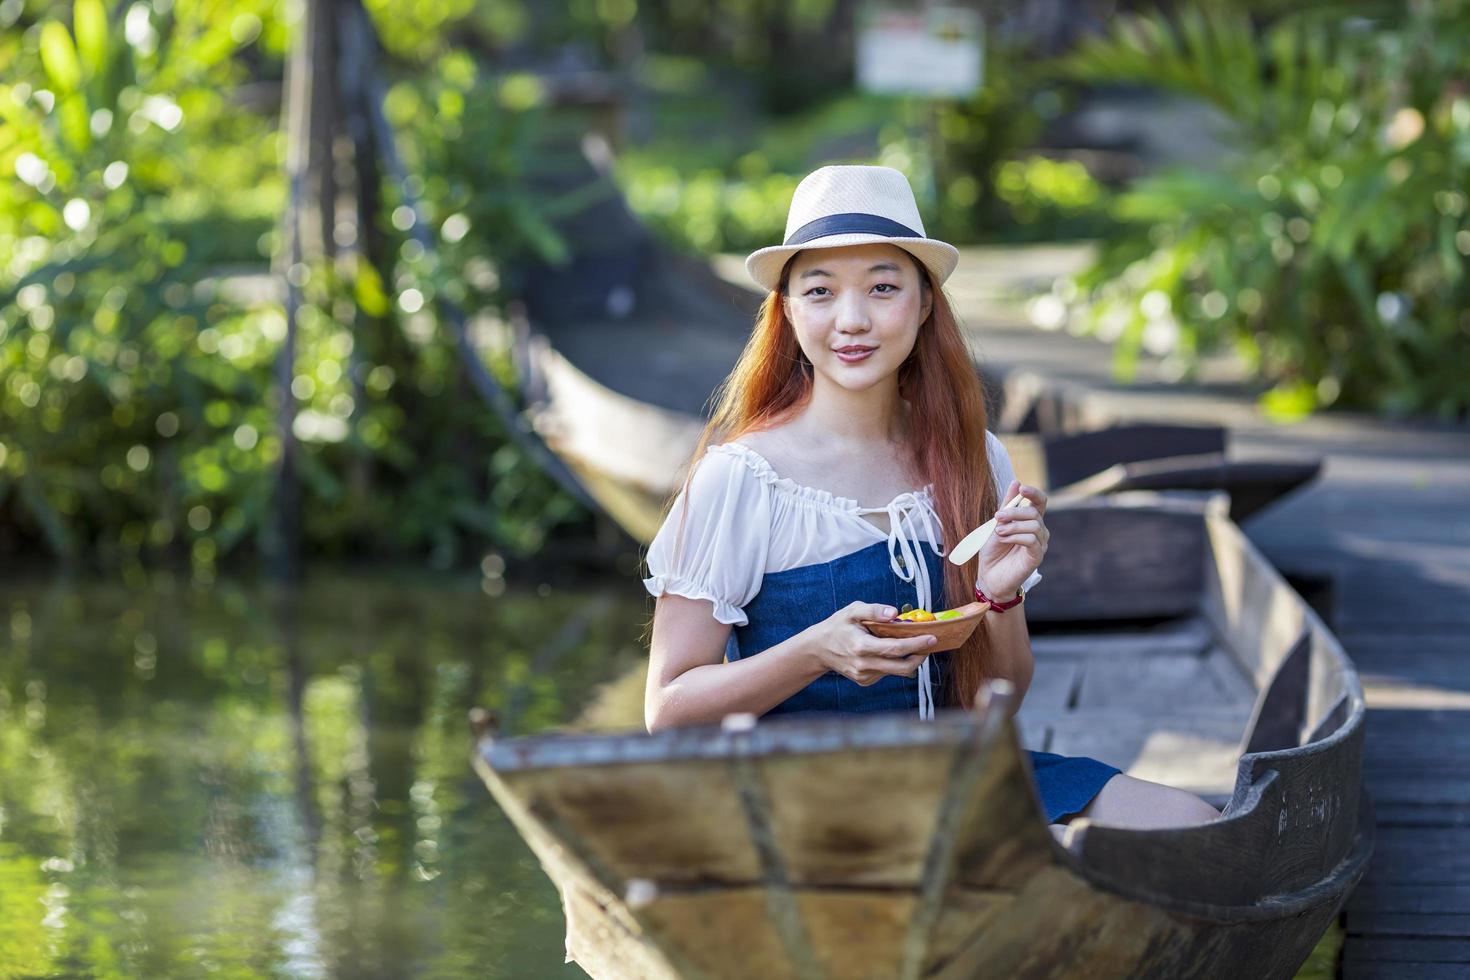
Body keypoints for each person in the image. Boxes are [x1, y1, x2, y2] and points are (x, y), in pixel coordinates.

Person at [641, 164, 1218, 836]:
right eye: (820, 291)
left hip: (952, 773)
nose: (851, 320)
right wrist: (815, 652)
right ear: (788, 310)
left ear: (923, 303)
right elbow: (669, 710)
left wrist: (998, 597)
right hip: (799, 797)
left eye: (883, 288)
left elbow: (991, 700)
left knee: (1192, 822)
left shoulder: (973, 457)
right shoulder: (741, 479)